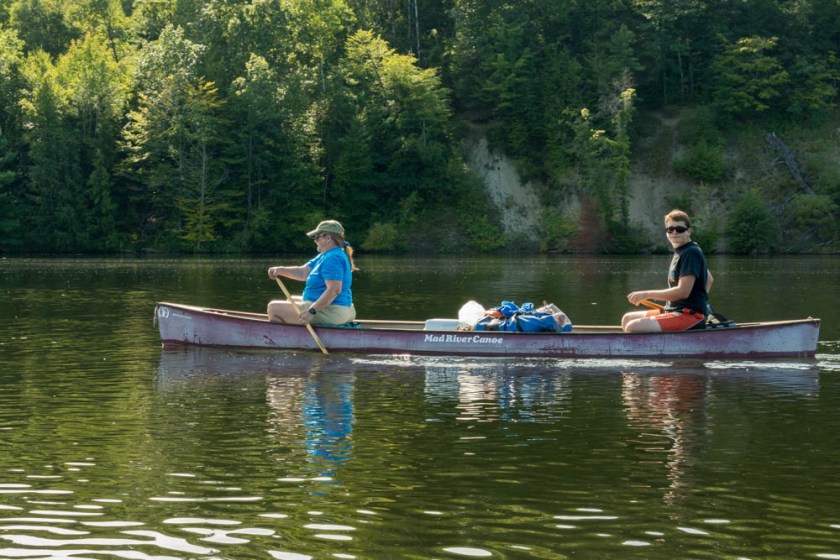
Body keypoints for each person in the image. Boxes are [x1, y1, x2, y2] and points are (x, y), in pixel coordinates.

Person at [622, 210, 714, 333]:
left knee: (632, 327)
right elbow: (709, 279)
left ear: (689, 231)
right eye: (670, 229)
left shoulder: (690, 252)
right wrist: (699, 301)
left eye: (679, 229)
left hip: (689, 316)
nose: (674, 232)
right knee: (627, 318)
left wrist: (647, 294)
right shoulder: (683, 251)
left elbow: (683, 292)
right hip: (674, 311)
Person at [267, 220, 357, 326]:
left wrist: (312, 311)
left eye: (317, 237)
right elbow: (303, 272)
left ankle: (288, 339)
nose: (315, 241)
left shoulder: (332, 258)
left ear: (328, 238)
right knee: (291, 299)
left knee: (273, 308)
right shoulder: (326, 255)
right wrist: (281, 270)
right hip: (340, 309)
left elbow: (334, 290)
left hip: (334, 311)